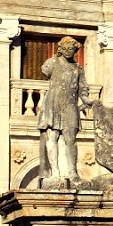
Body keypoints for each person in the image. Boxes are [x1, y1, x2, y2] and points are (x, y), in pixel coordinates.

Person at [39, 37, 89, 187]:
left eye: (71, 49)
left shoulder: (78, 69)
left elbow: (83, 89)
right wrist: (55, 56)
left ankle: (72, 172)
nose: (68, 51)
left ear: (75, 50)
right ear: (60, 49)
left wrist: (87, 101)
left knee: (70, 140)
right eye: (64, 48)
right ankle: (55, 172)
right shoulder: (53, 62)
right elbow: (44, 70)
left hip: (70, 106)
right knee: (52, 136)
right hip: (53, 104)